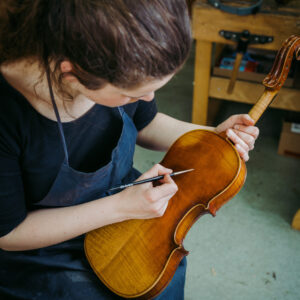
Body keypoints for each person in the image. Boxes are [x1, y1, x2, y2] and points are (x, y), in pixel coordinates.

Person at [0, 0, 259, 299]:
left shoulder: (122, 51)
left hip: (124, 203)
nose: (147, 97)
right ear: (72, 73)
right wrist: (120, 207)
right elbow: (9, 233)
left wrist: (212, 135)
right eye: (132, 93)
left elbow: (146, 124)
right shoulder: (8, 115)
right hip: (39, 247)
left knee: (163, 278)